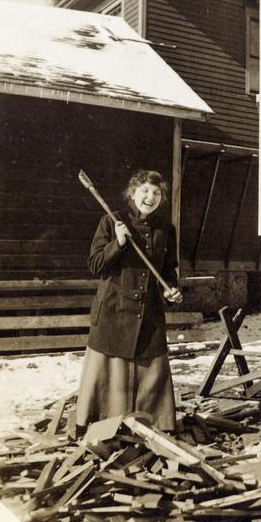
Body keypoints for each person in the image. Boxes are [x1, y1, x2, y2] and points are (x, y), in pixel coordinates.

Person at [75, 170, 182, 439]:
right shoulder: (112, 222)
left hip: (148, 313)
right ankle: (100, 424)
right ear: (132, 194)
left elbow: (168, 271)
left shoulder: (166, 230)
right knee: (107, 372)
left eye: (156, 193)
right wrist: (118, 243)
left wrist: (172, 290)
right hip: (113, 309)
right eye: (145, 191)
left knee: (152, 371)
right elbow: (95, 264)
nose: (151, 197)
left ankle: (152, 427)